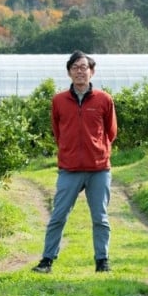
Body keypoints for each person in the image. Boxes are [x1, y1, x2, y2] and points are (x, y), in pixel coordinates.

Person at [32, 50, 117, 273]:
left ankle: (102, 261)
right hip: (69, 169)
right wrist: (69, 150)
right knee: (58, 216)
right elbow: (57, 131)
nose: (80, 71)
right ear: (69, 72)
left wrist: (99, 151)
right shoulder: (59, 100)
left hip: (98, 168)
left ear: (92, 71)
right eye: (75, 67)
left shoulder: (104, 99)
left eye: (84, 67)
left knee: (100, 218)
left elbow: (111, 131)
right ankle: (47, 260)